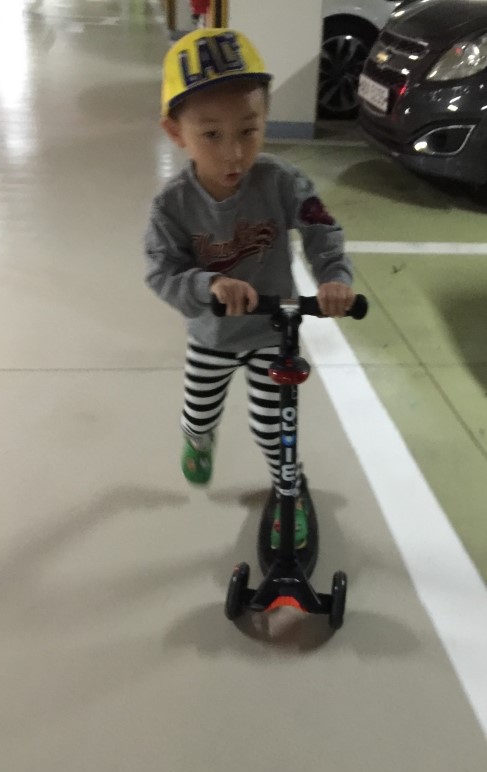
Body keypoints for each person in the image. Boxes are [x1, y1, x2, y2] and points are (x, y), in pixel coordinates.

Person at [144, 27, 355, 549]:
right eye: (211, 135)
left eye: (249, 130)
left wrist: (334, 277)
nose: (234, 153)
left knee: (276, 427)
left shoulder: (283, 182)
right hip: (212, 336)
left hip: (272, 333)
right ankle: (198, 439)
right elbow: (161, 271)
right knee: (199, 412)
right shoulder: (172, 205)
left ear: (266, 119)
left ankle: (289, 490)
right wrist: (209, 284)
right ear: (175, 132)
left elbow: (322, 229)